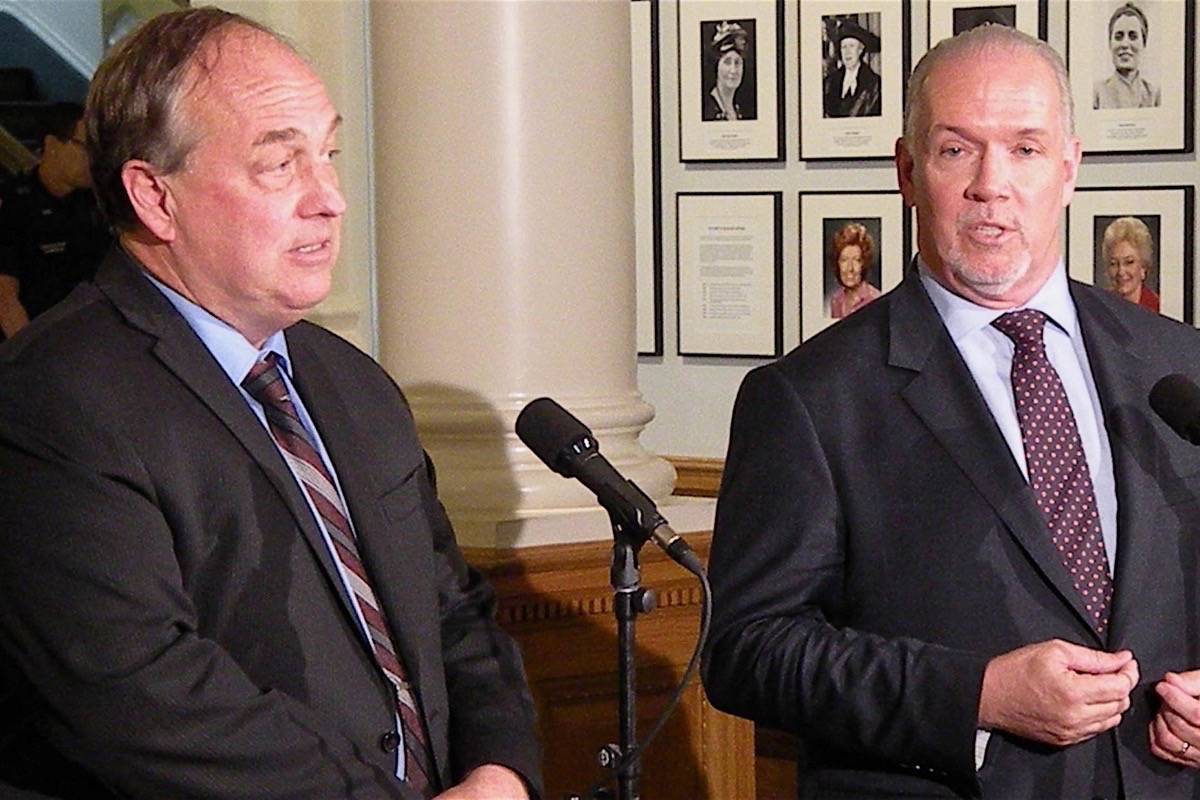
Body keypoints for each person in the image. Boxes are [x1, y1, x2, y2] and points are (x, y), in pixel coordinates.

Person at [0, 9, 540, 800]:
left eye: (328, 154)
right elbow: (140, 693)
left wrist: (500, 773)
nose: (330, 200)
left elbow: (453, 613)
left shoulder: (354, 385)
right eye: (279, 165)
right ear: (155, 196)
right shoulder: (54, 394)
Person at [704, 22, 1200, 799]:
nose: (990, 185)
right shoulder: (809, 398)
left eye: (1026, 149)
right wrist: (977, 696)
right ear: (907, 171)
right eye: (956, 149)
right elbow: (748, 650)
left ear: (1070, 169)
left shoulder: (1178, 365)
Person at [0, 102, 111, 339]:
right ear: (52, 145)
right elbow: (5, 298)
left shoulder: (98, 204)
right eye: (84, 148)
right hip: (37, 336)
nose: (93, 160)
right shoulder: (14, 205)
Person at [1093, 2, 1161, 109]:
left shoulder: (1154, 95)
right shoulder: (1098, 94)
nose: (1125, 44)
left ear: (1144, 43)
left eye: (1133, 37)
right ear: (1110, 43)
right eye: (1118, 37)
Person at [822, 19, 881, 118]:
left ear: (860, 50)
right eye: (844, 47)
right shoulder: (828, 83)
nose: (847, 52)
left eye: (852, 46)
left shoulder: (875, 84)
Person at [1102, 216, 1159, 312]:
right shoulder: (1100, 307)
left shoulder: (1158, 308)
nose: (1121, 271)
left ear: (1143, 267)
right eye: (1114, 263)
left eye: (1129, 262)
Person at [828, 221, 881, 319]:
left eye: (856, 260)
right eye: (844, 260)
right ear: (837, 263)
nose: (850, 268)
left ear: (864, 263)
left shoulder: (875, 300)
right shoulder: (836, 301)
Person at [702, 21, 749, 121]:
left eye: (737, 63)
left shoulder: (737, 109)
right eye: (727, 62)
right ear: (716, 66)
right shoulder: (707, 109)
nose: (733, 70)